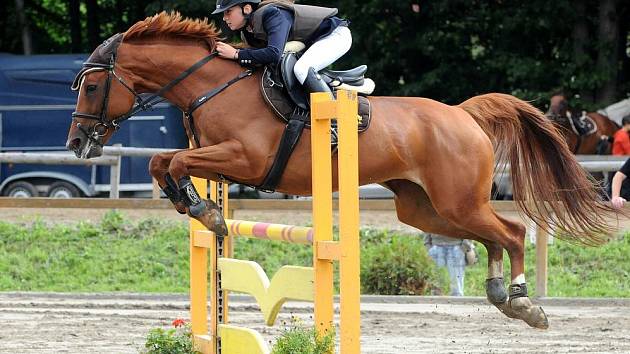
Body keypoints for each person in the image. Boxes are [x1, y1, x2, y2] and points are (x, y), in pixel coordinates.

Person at [211, 0, 351, 97]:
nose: (224, 18)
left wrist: (236, 53)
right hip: (313, 42)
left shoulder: (271, 14)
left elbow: (273, 53)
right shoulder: (247, 31)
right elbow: (259, 58)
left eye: (228, 11)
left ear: (246, 9)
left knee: (302, 69)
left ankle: (333, 117)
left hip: (335, 35)